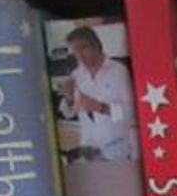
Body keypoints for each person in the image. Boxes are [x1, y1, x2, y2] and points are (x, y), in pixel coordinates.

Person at [58, 25, 135, 161]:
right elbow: (68, 114)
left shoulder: (119, 71)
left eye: (83, 48)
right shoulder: (77, 75)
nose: (79, 55)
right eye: (75, 51)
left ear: (96, 45)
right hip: (88, 149)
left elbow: (131, 113)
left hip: (117, 150)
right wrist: (69, 98)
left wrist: (100, 107)